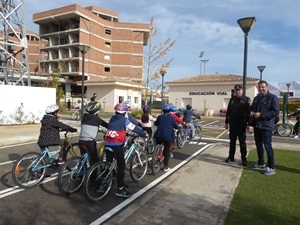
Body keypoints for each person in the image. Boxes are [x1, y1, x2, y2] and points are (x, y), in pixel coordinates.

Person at [105, 103, 147, 198]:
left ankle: (104, 184)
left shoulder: (112, 118)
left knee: (109, 164)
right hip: (117, 145)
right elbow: (134, 128)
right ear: (124, 113)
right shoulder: (124, 120)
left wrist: (124, 133)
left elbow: (115, 129)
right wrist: (144, 133)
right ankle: (120, 189)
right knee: (121, 166)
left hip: (107, 143)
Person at [250, 80, 279, 175]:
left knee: (267, 146)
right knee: (258, 145)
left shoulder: (273, 97)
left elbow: (275, 112)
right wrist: (252, 113)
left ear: (267, 87)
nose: (261, 89)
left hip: (267, 126)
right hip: (257, 126)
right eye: (259, 87)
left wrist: (262, 114)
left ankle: (271, 167)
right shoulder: (256, 98)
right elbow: (253, 109)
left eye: (263, 87)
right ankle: (261, 163)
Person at [224, 84, 251, 166]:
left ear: (242, 91)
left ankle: (244, 159)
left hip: (242, 124)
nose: (237, 92)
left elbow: (249, 113)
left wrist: (249, 124)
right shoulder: (232, 99)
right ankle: (231, 157)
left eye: (239, 90)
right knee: (232, 142)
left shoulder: (246, 100)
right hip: (233, 124)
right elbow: (228, 112)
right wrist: (226, 122)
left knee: (242, 143)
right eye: (236, 90)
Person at [78, 101, 108, 166]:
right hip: (90, 142)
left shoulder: (84, 117)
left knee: (83, 158)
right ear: (97, 111)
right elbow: (106, 125)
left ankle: (80, 174)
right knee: (94, 159)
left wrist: (98, 129)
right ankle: (92, 175)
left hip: (81, 140)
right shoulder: (97, 119)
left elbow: (89, 126)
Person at [154, 104, 180, 172]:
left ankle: (156, 159)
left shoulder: (159, 117)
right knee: (166, 151)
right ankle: (166, 166)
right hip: (167, 137)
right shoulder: (171, 118)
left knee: (157, 147)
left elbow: (156, 123)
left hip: (159, 135)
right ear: (169, 111)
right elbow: (176, 126)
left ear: (163, 110)